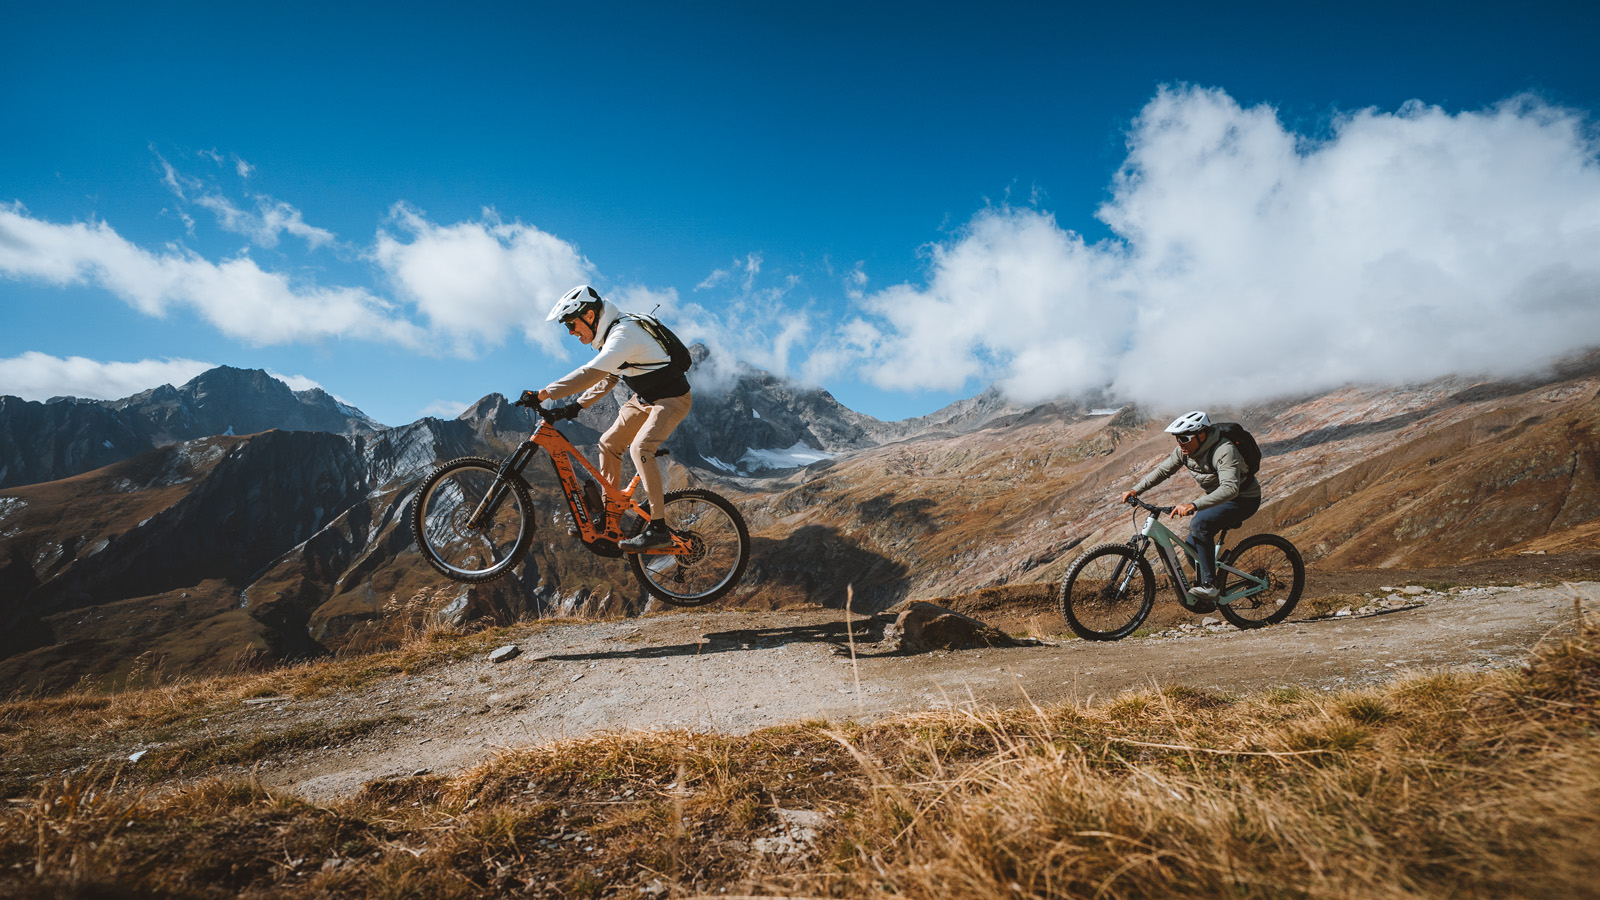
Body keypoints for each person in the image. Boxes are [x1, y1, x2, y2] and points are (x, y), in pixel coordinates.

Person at [524, 285, 691, 552]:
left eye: (571, 323)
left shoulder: (624, 333)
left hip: (672, 399)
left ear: (589, 315)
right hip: (645, 399)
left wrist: (543, 394)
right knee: (609, 443)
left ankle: (658, 528)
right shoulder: (612, 335)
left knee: (640, 448)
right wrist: (576, 406)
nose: (570, 331)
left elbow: (590, 373)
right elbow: (609, 378)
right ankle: (609, 519)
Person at [1120, 410, 1261, 603]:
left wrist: (1193, 505)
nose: (1180, 443)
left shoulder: (1224, 450)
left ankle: (1210, 586)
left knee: (1199, 525)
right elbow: (1164, 470)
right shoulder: (1185, 451)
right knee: (1190, 548)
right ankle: (1209, 586)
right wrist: (1136, 490)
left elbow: (1230, 489)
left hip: (1243, 499)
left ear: (1201, 435)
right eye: (1177, 439)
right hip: (1219, 498)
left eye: (1184, 438)